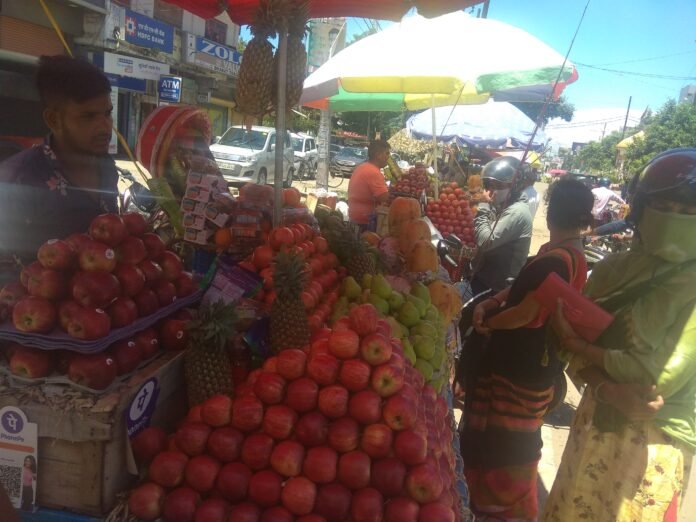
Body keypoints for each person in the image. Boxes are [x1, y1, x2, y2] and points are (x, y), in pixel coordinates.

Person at [542, 148, 696, 522]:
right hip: (594, 419)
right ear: (640, 210)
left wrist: (581, 346)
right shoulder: (615, 269)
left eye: (688, 211)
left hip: (653, 443)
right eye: (665, 207)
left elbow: (654, 380)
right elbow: (569, 351)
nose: (675, 218)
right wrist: (604, 385)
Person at [461, 178, 594, 521]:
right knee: (511, 439)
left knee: (506, 443)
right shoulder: (570, 254)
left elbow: (527, 314)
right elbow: (524, 288)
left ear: (550, 214)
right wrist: (493, 301)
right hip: (534, 366)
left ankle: (502, 509)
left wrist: (490, 323)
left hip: (520, 368)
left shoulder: (556, 260)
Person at [0, 55, 118, 285]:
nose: (105, 127)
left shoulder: (107, 167)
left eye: (107, 113)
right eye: (88, 116)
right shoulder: (19, 179)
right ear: (54, 120)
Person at [471, 156, 534, 295]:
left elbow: (485, 241)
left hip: (496, 290)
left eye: (498, 185)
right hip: (485, 280)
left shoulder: (517, 212)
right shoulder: (502, 205)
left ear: (515, 186)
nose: (491, 190)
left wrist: (483, 205)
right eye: (489, 185)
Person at [347, 140, 390, 232]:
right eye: (387, 153)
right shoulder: (373, 172)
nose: (388, 157)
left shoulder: (363, 167)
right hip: (364, 222)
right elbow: (384, 198)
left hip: (355, 218)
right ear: (378, 155)